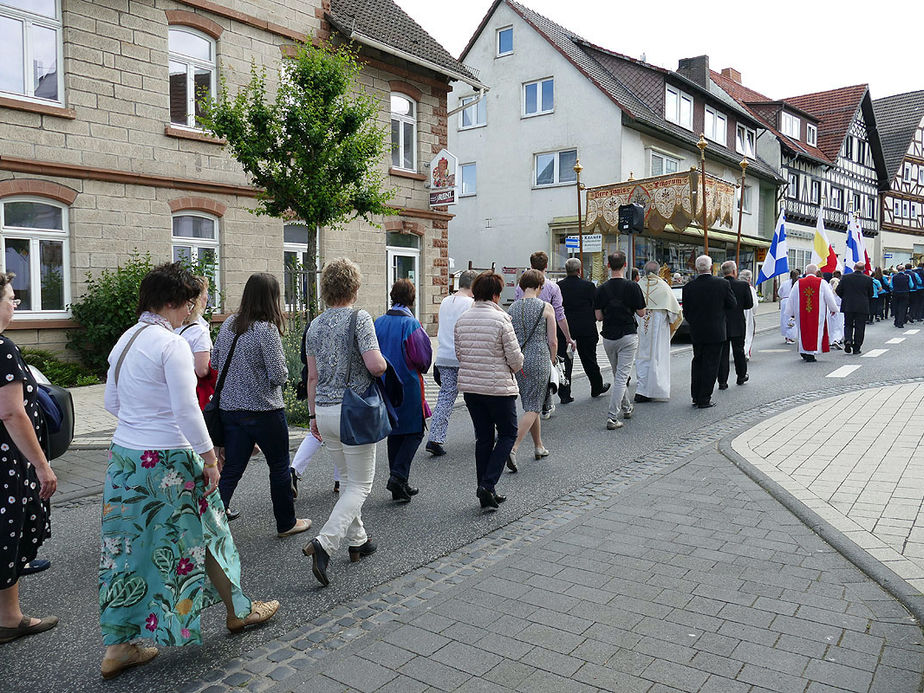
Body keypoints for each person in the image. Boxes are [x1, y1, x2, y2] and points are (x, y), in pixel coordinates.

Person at [100, 263, 277, 679]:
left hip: (126, 459)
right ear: (174, 302)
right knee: (212, 532)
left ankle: (118, 646)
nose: (193, 311)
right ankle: (239, 611)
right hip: (170, 459)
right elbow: (186, 409)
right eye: (192, 302)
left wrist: (141, 425)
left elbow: (111, 401)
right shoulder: (171, 343)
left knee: (129, 550)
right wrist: (210, 458)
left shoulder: (127, 339)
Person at [302, 259, 387, 586]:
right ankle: (325, 543)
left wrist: (311, 415)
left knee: (349, 479)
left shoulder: (315, 325)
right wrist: (383, 365)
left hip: (324, 410)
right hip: (354, 410)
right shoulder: (360, 318)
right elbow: (375, 365)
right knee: (361, 484)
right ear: (354, 286)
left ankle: (358, 541)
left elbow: (312, 376)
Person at [213, 273, 309, 538]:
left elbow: (214, 363)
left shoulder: (229, 324)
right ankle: (286, 523)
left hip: (230, 411)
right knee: (278, 466)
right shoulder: (266, 330)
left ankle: (209, 523)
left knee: (232, 468)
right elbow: (278, 375)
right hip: (265, 411)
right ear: (272, 298)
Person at [0, 272, 57, 645]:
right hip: (7, 460)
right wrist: (41, 464)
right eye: (9, 296)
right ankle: (10, 618)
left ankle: (9, 616)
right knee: (8, 533)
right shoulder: (2, 348)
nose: (15, 302)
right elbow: (11, 412)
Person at [454, 272, 523, 509]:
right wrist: (518, 362)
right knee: (508, 434)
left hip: (472, 388)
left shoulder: (462, 319)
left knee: (483, 437)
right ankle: (488, 483)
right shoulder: (502, 320)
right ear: (496, 294)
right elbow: (515, 359)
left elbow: (460, 354)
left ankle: (485, 488)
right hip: (498, 388)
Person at [374, 279, 432, 502]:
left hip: (384, 382)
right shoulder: (411, 325)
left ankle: (400, 481)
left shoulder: (378, 322)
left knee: (395, 431)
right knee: (415, 431)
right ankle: (398, 476)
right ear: (412, 298)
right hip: (407, 383)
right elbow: (422, 359)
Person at [514, 252, 575, 419]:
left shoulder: (520, 287)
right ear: (546, 266)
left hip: (523, 335)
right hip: (544, 333)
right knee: (545, 369)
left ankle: (534, 406)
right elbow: (560, 315)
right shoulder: (553, 287)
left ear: (531, 264)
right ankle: (543, 406)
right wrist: (568, 336)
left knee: (528, 372)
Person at [507, 270, 556, 468]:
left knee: (530, 401)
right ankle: (512, 447)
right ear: (540, 287)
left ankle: (539, 446)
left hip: (519, 359)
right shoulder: (546, 307)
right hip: (539, 357)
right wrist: (552, 360)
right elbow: (552, 341)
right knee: (535, 405)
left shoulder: (512, 308)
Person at [426, 270, 475, 456]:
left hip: (444, 355)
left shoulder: (446, 301)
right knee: (475, 396)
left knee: (445, 397)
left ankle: (435, 437)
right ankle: (485, 432)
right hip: (463, 357)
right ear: (473, 286)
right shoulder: (470, 303)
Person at [595, 251, 646, 427]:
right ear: (625, 266)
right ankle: (612, 416)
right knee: (622, 377)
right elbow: (641, 312)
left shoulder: (601, 288)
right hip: (628, 334)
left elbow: (599, 316)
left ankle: (626, 407)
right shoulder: (632, 286)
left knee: (618, 375)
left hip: (608, 336)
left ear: (608, 266)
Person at [682, 255, 736, 408]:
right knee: (711, 365)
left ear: (697, 269)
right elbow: (732, 304)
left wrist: (695, 322)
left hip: (697, 330)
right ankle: (704, 398)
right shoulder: (722, 284)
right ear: (711, 268)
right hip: (716, 330)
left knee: (697, 362)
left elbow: (686, 311)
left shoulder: (689, 287)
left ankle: (695, 395)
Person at [556, 258, 607, 402]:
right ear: (579, 270)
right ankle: (596, 387)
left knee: (565, 361)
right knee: (590, 359)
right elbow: (595, 305)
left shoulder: (558, 286)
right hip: (586, 328)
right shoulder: (589, 286)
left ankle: (565, 394)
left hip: (565, 328)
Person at [635, 261, 682, 402]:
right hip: (659, 331)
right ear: (658, 271)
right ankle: (657, 390)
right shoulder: (664, 287)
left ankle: (641, 391)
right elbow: (675, 314)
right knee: (657, 358)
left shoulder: (637, 286)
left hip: (641, 329)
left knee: (642, 359)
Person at [785, 263, 839, 362]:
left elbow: (791, 298)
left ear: (806, 272)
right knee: (816, 331)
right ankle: (810, 353)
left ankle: (803, 350)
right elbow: (829, 297)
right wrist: (833, 309)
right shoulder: (822, 283)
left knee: (803, 331)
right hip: (818, 313)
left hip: (801, 313)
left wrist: (790, 312)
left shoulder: (798, 283)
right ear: (816, 272)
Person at [176, 276, 216, 409]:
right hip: (194, 393)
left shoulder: (174, 324)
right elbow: (202, 370)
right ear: (199, 299)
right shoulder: (199, 332)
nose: (207, 298)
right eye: (206, 294)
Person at [717, 261, 754, 389]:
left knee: (723, 353)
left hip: (722, 323)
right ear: (734, 271)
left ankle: (722, 381)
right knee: (739, 351)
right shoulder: (743, 285)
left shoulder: (718, 284)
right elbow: (749, 305)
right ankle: (741, 375)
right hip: (737, 323)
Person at [836, 262, 874, 354]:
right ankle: (857, 347)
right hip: (862, 306)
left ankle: (848, 340)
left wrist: (845, 298)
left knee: (848, 324)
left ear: (854, 267)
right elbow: (871, 293)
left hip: (848, 304)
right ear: (863, 269)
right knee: (860, 327)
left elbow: (838, 290)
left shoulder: (845, 277)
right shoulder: (868, 279)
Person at [740, 269, 760, 359]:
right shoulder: (750, 288)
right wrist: (753, 312)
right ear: (749, 279)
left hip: (737, 312)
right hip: (748, 312)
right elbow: (755, 304)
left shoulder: (735, 286)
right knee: (748, 332)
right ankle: (746, 352)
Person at [778, 269, 799, 344]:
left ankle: (787, 335)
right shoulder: (797, 283)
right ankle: (790, 336)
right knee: (792, 319)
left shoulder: (784, 283)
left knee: (785, 319)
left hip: (784, 301)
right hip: (793, 301)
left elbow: (779, 292)